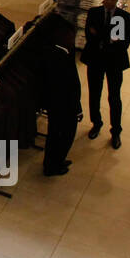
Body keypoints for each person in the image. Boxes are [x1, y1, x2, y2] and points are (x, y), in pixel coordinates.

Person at [81, 0, 130, 148]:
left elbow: (123, 43)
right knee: (94, 94)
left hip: (114, 61)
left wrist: (101, 35)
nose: (109, 2)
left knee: (114, 97)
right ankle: (96, 123)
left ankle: (116, 131)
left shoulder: (125, 17)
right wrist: (109, 37)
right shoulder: (94, 12)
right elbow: (90, 36)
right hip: (96, 59)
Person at [43, 19, 82, 176]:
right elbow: (67, 86)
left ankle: (56, 161)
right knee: (62, 135)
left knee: (56, 134)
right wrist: (77, 109)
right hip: (62, 105)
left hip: (59, 104)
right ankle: (53, 165)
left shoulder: (62, 53)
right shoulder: (58, 58)